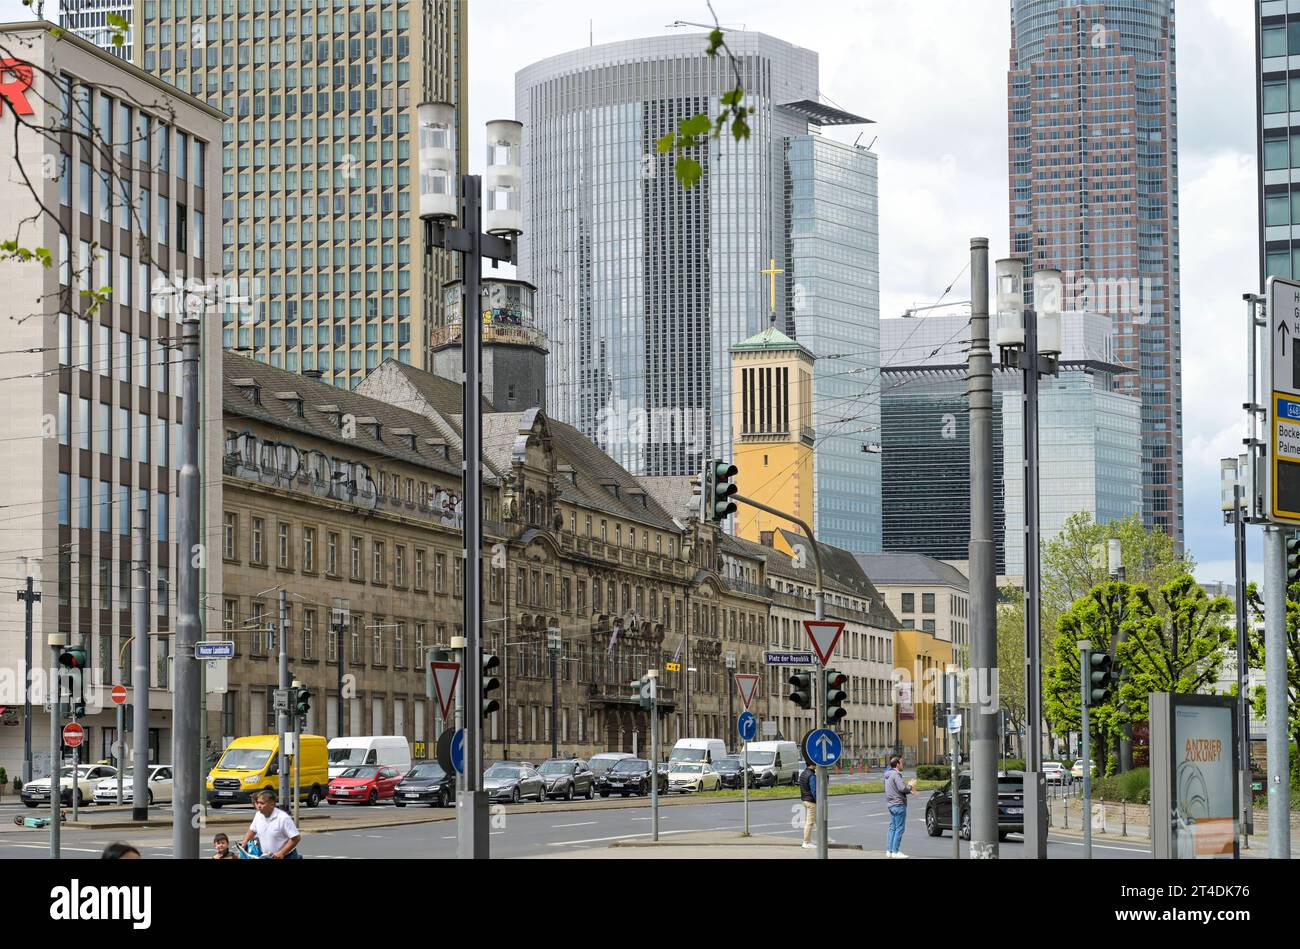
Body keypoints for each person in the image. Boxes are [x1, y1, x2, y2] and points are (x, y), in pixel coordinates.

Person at [240, 790, 301, 860]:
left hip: (286, 856)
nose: (259, 806)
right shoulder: (258, 815)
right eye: (258, 802)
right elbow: (252, 830)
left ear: (272, 804)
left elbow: (296, 838)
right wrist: (244, 841)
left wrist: (282, 852)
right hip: (267, 856)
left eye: (262, 803)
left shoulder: (283, 818)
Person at [884, 755, 918, 858]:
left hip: (891, 804)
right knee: (899, 828)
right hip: (898, 804)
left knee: (892, 828)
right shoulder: (896, 775)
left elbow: (895, 789)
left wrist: (909, 790)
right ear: (897, 764)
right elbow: (902, 788)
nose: (903, 764)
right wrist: (910, 785)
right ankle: (895, 851)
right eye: (902, 763)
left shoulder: (887, 775)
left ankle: (889, 851)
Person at [799, 760, 817, 850]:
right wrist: (818, 800)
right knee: (809, 823)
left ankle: (824, 838)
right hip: (811, 802)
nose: (816, 765)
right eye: (815, 764)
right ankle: (806, 842)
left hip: (805, 800)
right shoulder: (811, 775)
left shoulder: (803, 773)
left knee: (818, 821)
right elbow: (814, 790)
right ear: (812, 765)